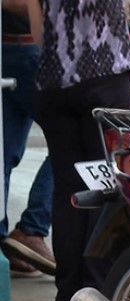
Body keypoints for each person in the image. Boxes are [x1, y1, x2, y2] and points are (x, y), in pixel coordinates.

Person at [24, 0, 130, 301]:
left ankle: (69, 291)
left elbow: (37, 33)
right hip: (106, 78)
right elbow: (123, 12)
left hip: (54, 84)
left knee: (69, 190)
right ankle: (101, 288)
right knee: (113, 186)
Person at [0, 0, 55, 278]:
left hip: (21, 47)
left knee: (4, 149)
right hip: (26, 49)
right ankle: (32, 228)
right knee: (72, 140)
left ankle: (19, 235)